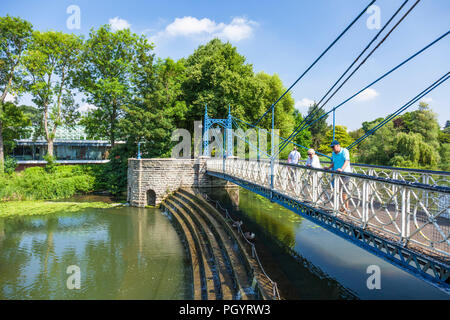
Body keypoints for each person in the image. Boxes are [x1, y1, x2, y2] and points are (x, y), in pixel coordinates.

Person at [326, 140, 352, 212]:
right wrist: (328, 168)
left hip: (345, 174)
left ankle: (346, 208)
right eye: (331, 147)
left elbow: (347, 161)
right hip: (337, 174)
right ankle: (342, 207)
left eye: (333, 147)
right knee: (337, 191)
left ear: (338, 145)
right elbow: (334, 162)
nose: (332, 149)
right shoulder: (333, 153)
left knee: (343, 192)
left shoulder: (345, 151)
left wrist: (342, 169)